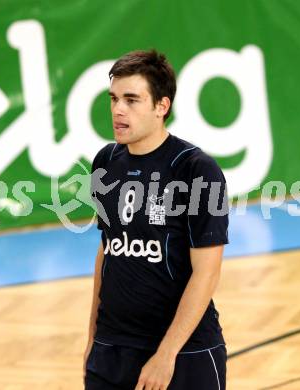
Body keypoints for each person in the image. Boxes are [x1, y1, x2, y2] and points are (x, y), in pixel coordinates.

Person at [83, 49, 229, 390]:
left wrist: (166, 355)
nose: (118, 109)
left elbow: (207, 272)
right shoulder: (105, 162)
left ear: (161, 106)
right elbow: (108, 251)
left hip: (184, 354)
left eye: (132, 100)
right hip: (112, 349)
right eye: (114, 98)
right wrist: (92, 338)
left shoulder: (195, 169)